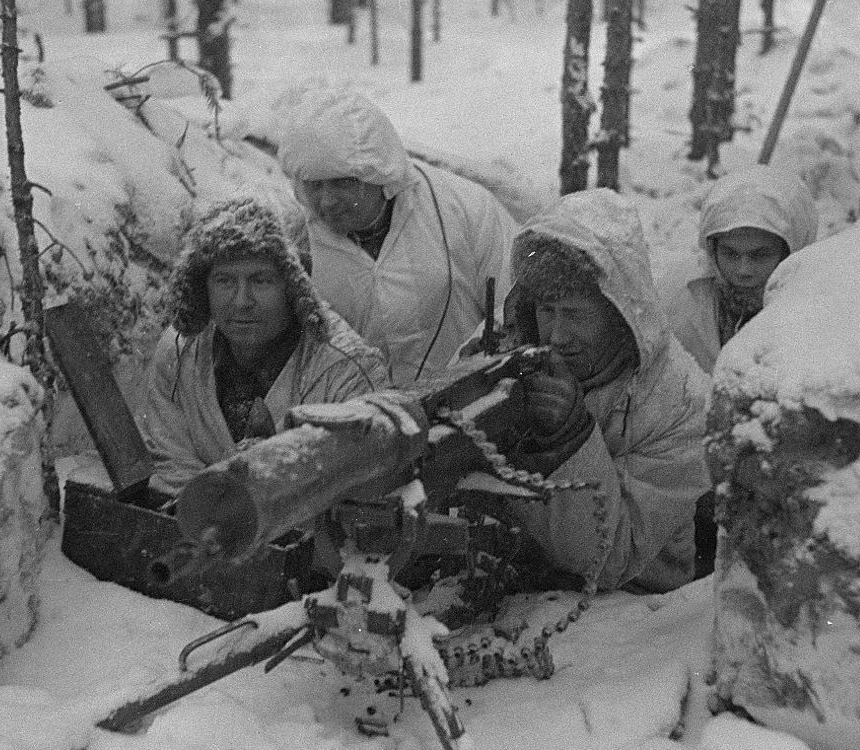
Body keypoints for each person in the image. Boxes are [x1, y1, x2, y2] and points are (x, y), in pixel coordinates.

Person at [500, 188, 711, 593]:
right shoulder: (508, 352)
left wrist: (570, 440)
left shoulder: (679, 403)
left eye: (576, 315)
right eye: (547, 311)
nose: (557, 335)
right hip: (517, 587)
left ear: (619, 315)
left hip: (636, 609)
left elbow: (614, 558)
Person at [142, 198, 390, 495]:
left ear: (295, 286)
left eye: (261, 280)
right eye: (224, 280)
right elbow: (170, 463)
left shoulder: (345, 371)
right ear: (202, 284)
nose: (241, 301)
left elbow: (362, 488)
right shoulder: (179, 351)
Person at [275, 88, 518, 384]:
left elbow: (516, 300)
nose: (326, 201)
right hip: (354, 417)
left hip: (466, 400)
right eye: (314, 185)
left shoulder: (465, 208)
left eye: (342, 183)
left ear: (378, 176)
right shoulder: (295, 240)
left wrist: (477, 358)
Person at [660, 165, 819, 374]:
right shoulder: (676, 295)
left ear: (791, 252)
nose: (743, 271)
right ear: (712, 249)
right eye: (730, 253)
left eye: (760, 255)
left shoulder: (817, 312)